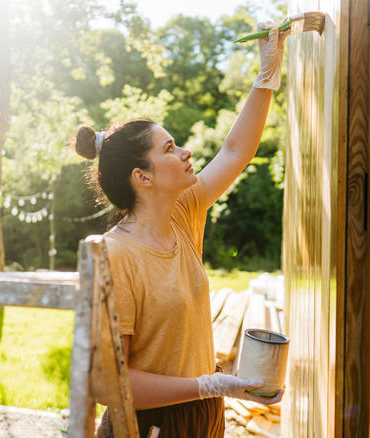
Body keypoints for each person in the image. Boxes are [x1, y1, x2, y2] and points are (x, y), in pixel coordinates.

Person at [71, 20, 289, 438]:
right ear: (143, 177)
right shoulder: (116, 255)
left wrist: (267, 75)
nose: (186, 152)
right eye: (169, 148)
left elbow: (236, 151)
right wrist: (211, 384)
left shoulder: (183, 213)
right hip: (150, 426)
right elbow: (105, 383)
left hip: (203, 417)